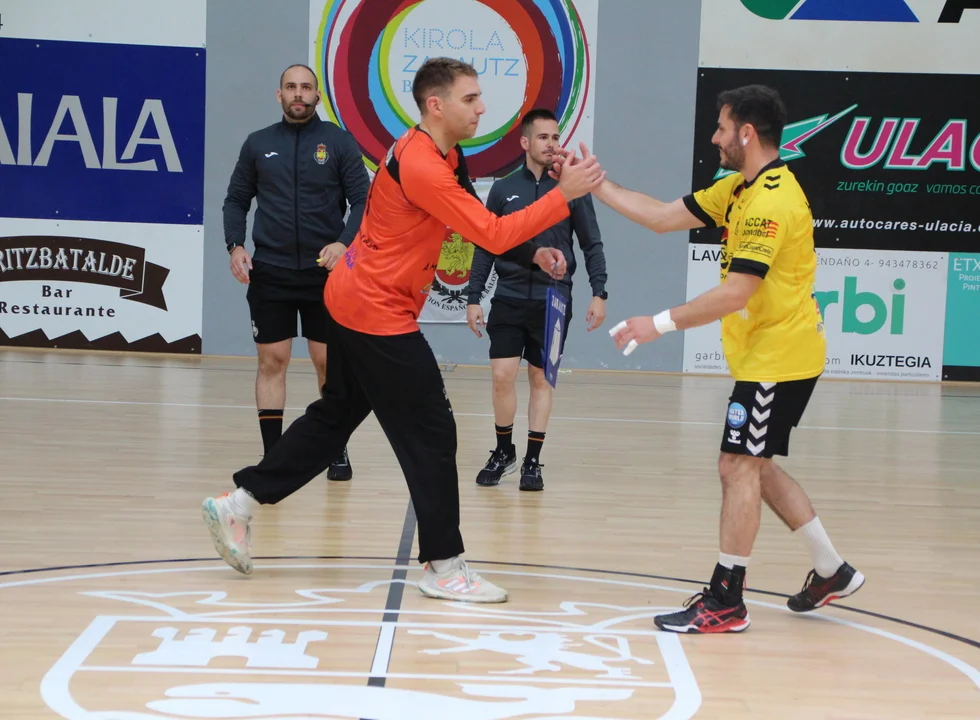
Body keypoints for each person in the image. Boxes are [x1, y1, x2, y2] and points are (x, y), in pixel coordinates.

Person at [201, 57, 607, 603]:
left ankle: (238, 504)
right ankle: (444, 565)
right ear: (436, 105)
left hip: (351, 297)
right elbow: (490, 230)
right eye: (470, 99)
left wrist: (536, 242)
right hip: (374, 310)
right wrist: (564, 195)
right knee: (434, 430)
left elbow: (475, 223)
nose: (481, 108)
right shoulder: (421, 164)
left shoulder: (444, 153)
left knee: (334, 416)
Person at [588, 84, 865, 633]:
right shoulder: (739, 187)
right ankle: (831, 569)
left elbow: (736, 293)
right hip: (772, 353)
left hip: (779, 357)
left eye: (721, 128)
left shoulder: (771, 201)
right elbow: (661, 216)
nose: (714, 138)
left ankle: (726, 600)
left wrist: (656, 324)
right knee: (753, 464)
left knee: (736, 465)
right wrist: (595, 184)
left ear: (747, 133)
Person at [222, 63, 370, 481]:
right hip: (271, 270)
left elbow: (363, 200)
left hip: (326, 273)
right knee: (273, 361)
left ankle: (334, 448)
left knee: (327, 364)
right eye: (291, 87)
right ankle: (273, 457)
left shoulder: (338, 142)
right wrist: (235, 245)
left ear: (317, 96)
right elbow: (236, 200)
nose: (298, 94)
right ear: (279, 95)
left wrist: (344, 243)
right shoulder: (258, 144)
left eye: (306, 87)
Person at [466, 108, 609, 492]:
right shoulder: (503, 189)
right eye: (544, 137)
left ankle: (532, 459)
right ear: (525, 142)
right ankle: (504, 452)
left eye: (556, 137)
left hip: (554, 299)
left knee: (541, 379)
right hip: (509, 296)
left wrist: (599, 292)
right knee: (502, 376)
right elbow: (486, 243)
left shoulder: (571, 188)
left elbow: (592, 243)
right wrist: (474, 296)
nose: (552, 144)